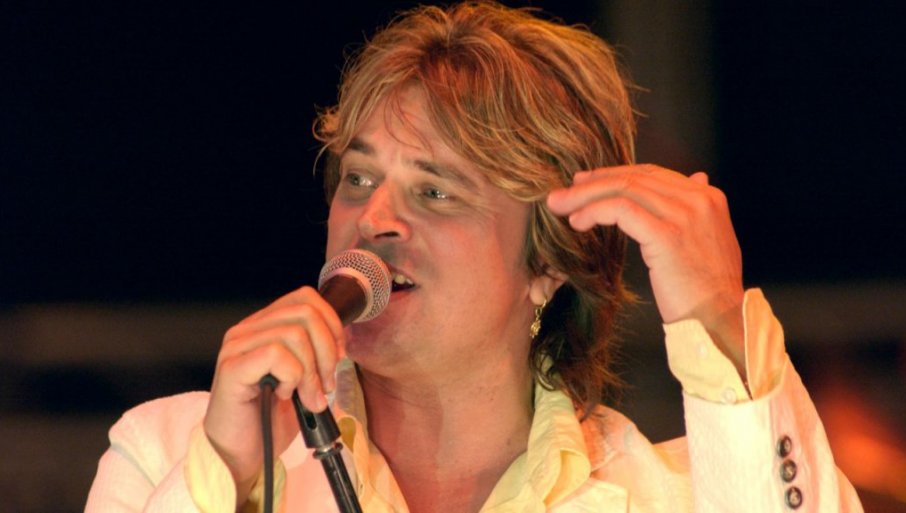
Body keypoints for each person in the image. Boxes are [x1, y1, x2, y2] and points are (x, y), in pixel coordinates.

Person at [86, 2, 863, 512]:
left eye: (435, 192)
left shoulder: (676, 492)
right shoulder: (176, 453)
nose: (372, 218)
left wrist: (717, 317)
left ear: (547, 263)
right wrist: (230, 465)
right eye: (358, 177)